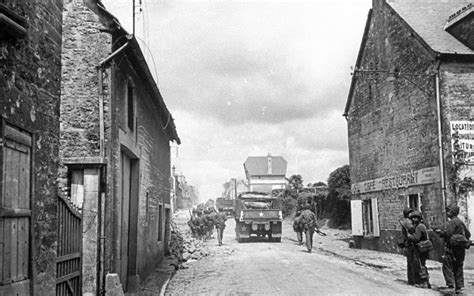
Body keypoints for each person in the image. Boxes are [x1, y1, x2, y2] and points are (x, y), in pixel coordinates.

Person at [434, 204, 471, 293]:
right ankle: (459, 287)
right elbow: (468, 234)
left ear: (452, 212)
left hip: (452, 249)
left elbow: (448, 234)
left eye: (448, 211)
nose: (447, 213)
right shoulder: (460, 222)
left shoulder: (453, 222)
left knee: (447, 266)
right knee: (458, 267)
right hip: (460, 249)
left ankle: (450, 286)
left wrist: (440, 232)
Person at [406, 210, 431, 289]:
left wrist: (409, 236)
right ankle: (424, 282)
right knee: (419, 265)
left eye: (416, 218)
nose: (414, 219)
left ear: (419, 218)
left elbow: (416, 238)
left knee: (420, 265)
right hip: (420, 249)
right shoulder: (419, 226)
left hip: (421, 249)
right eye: (413, 218)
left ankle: (424, 282)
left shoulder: (420, 226)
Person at [399, 207, 415, 285]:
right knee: (412, 262)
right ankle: (412, 280)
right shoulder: (408, 222)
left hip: (407, 243)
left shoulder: (404, 221)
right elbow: (412, 230)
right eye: (410, 213)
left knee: (410, 262)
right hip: (409, 243)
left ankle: (410, 279)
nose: (412, 214)